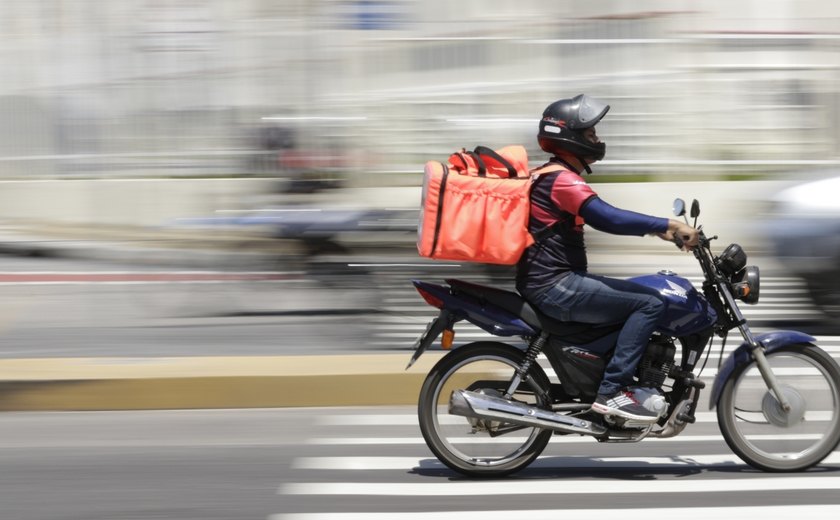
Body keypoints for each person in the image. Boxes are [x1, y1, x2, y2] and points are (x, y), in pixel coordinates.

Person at [516, 94, 699, 423]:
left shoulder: (550, 174)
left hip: (550, 281)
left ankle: (607, 377)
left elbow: (609, 218)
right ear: (569, 137)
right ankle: (612, 392)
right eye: (591, 134)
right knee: (649, 303)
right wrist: (668, 224)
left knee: (632, 299)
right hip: (555, 285)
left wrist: (658, 232)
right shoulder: (562, 180)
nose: (597, 140)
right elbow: (608, 218)